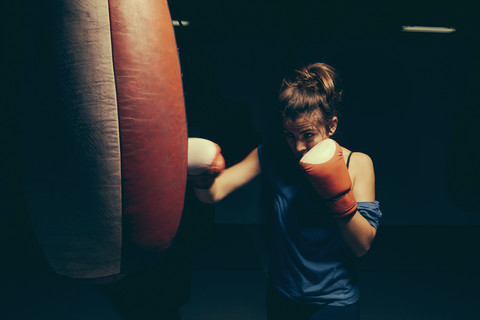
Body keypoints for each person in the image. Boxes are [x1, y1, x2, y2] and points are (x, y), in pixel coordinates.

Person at [187, 62, 382, 320]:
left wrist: (337, 196)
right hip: (282, 295)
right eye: (289, 135)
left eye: (308, 135)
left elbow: (362, 246)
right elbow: (213, 194)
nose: (298, 146)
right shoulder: (271, 155)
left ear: (332, 125)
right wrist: (202, 176)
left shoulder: (357, 163)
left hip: (335, 301)